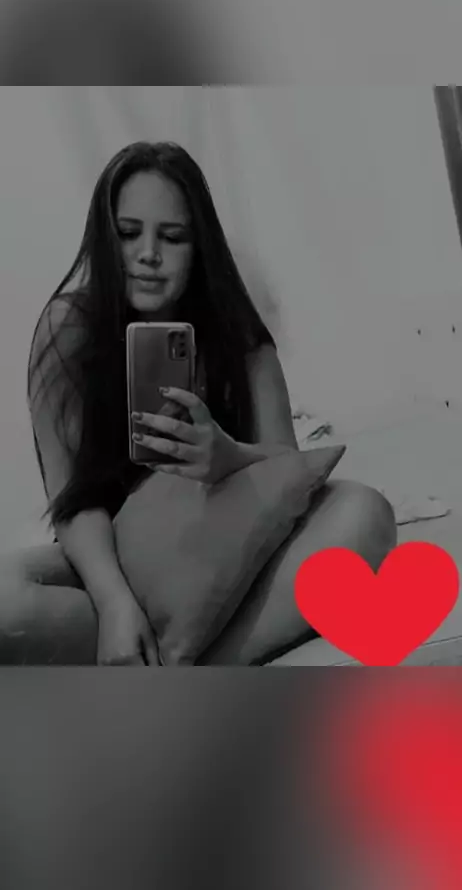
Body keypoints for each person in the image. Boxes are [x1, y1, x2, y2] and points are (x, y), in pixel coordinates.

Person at [0, 141, 396, 665]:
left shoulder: (240, 340)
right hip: (109, 568)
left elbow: (287, 468)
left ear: (199, 245)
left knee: (364, 513)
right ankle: (173, 663)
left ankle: (187, 673)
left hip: (219, 569)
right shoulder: (67, 330)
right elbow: (73, 499)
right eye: (128, 233)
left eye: (172, 237)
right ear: (103, 237)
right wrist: (116, 604)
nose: (148, 254)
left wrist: (227, 457)